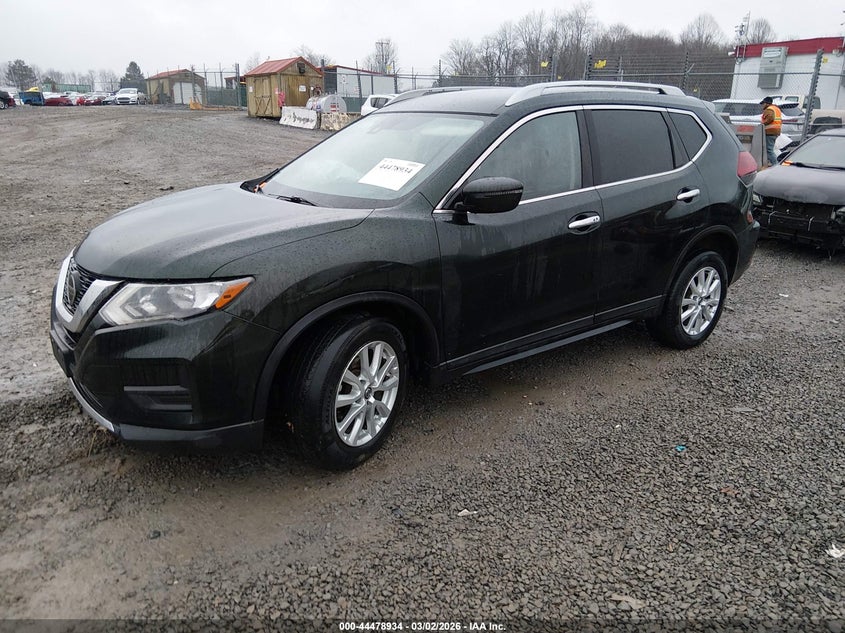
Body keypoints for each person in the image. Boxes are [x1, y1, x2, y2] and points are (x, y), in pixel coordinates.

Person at [760, 96, 782, 167]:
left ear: (767, 103)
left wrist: (762, 124)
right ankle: (771, 163)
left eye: (763, 104)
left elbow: (770, 118)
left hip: (770, 132)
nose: (762, 105)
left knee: (769, 150)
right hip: (775, 131)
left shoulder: (769, 109)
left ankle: (775, 165)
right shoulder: (776, 108)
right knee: (769, 149)